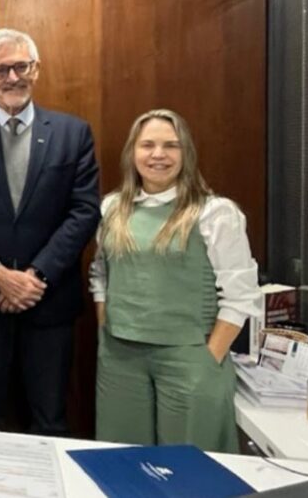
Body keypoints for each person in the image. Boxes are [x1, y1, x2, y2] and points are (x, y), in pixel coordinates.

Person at [0, 28, 100, 434]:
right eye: (0, 69)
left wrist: (34, 276)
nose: (12, 77)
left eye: (20, 66)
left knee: (50, 415)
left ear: (36, 69)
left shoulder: (72, 132)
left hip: (49, 299)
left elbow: (83, 212)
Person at [90, 108, 260, 452]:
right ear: (132, 152)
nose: (158, 155)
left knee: (189, 468)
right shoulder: (112, 209)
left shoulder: (216, 213)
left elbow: (241, 295)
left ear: (187, 153)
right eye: (147, 145)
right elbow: (101, 274)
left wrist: (210, 356)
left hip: (190, 358)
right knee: (124, 463)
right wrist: (107, 325)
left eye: (171, 145)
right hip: (120, 356)